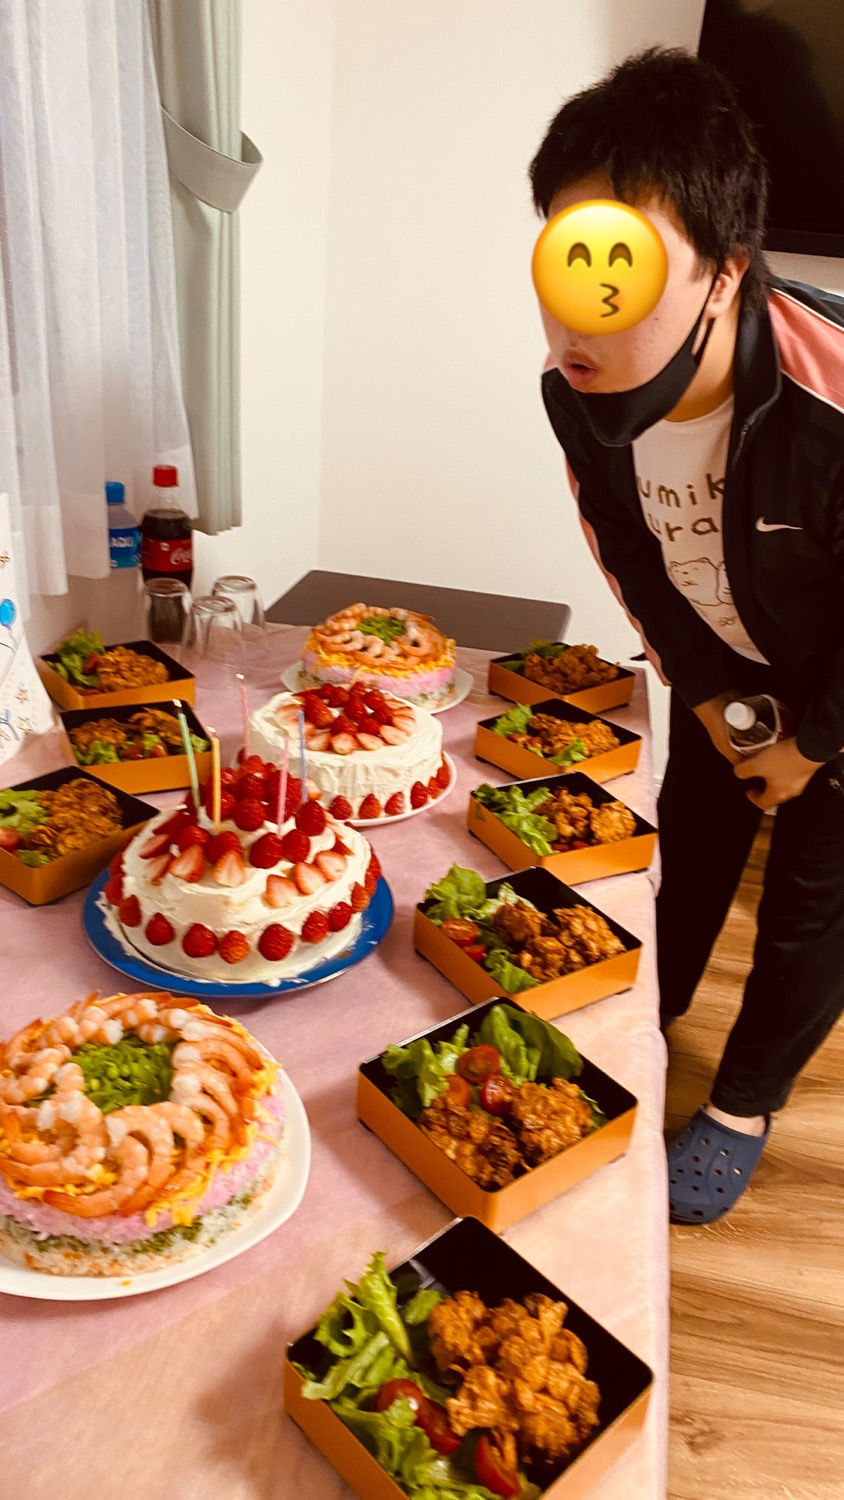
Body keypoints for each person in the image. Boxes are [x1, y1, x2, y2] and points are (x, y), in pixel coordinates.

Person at [528, 47, 844, 1224]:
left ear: (724, 272)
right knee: (691, 845)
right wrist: (709, 697)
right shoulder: (575, 390)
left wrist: (810, 747)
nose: (579, 316)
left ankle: (744, 1102)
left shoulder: (829, 397)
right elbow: (632, 557)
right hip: (729, 656)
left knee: (814, 905)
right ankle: (639, 1026)